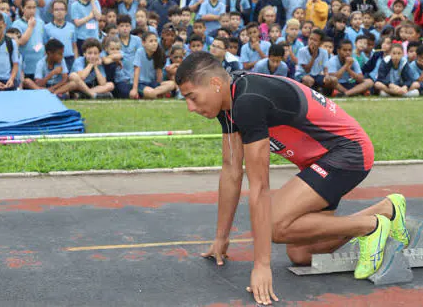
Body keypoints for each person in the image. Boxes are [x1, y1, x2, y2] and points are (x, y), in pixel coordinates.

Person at [175, 50, 410, 305]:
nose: (190, 107)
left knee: (275, 225)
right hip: (321, 161)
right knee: (301, 253)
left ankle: (371, 227)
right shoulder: (228, 104)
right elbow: (231, 170)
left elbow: (260, 187)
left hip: (348, 153)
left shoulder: (248, 102)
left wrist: (262, 265)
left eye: (191, 97)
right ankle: (386, 210)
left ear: (215, 84)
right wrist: (221, 238)